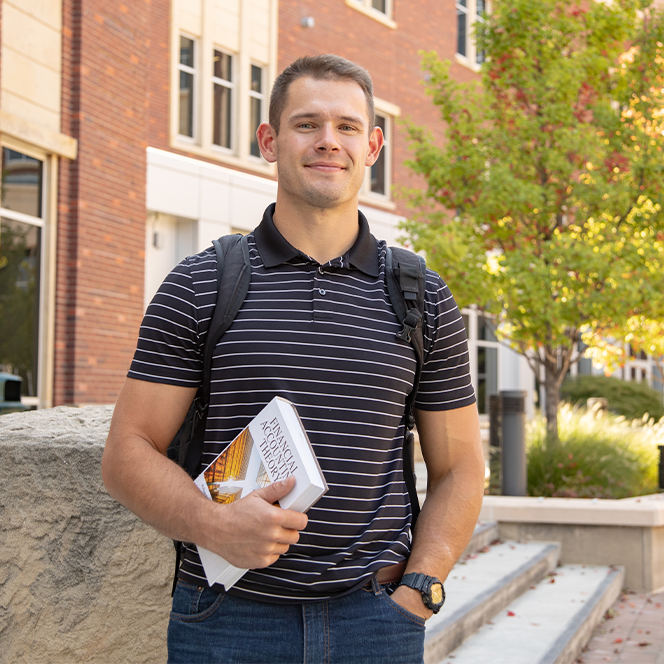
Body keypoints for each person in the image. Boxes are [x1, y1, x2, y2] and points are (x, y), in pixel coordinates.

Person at [102, 54, 485, 664]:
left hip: (376, 619)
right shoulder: (203, 282)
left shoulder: (420, 294)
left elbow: (462, 468)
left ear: (374, 146)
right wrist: (210, 523)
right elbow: (127, 452)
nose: (328, 141)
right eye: (307, 124)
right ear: (269, 140)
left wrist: (421, 586)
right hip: (227, 620)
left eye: (348, 127)